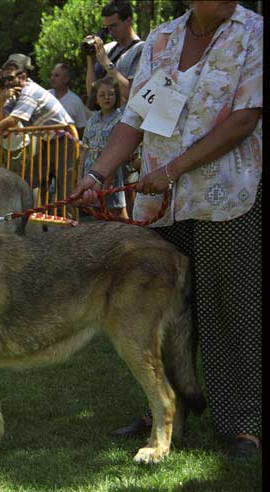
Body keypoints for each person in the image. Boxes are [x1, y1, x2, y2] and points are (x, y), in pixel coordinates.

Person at [70, 1, 262, 461]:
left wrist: (174, 169)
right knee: (160, 311)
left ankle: (244, 424)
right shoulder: (161, 39)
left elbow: (245, 118)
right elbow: (135, 118)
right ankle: (165, 410)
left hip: (227, 198)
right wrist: (97, 175)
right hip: (161, 202)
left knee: (230, 310)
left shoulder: (254, 32)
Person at [0, 54, 73, 203]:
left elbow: (12, 120)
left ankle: (70, 224)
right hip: (47, 141)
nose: (7, 83)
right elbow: (0, 122)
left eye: (10, 78)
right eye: (4, 79)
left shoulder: (30, 91)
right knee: (30, 180)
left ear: (22, 76)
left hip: (65, 141)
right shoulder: (14, 93)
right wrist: (1, 101)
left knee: (65, 188)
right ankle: (33, 221)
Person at [78, 77, 127, 220]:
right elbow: (84, 149)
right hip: (90, 170)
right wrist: (80, 177)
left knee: (115, 211)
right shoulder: (92, 119)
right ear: (96, 98)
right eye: (102, 95)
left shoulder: (120, 119)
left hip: (110, 172)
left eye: (111, 94)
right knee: (94, 213)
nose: (107, 98)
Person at [83, 0, 144, 104]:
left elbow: (130, 92)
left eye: (114, 26)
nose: (110, 32)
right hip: (103, 118)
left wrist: (106, 62)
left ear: (128, 21)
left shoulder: (141, 49)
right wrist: (91, 58)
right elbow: (92, 93)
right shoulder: (107, 49)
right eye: (107, 28)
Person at [49, 63, 89, 137]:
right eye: (52, 75)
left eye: (56, 75)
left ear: (66, 79)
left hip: (67, 145)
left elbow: (82, 128)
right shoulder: (46, 96)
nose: (52, 78)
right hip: (45, 144)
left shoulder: (75, 101)